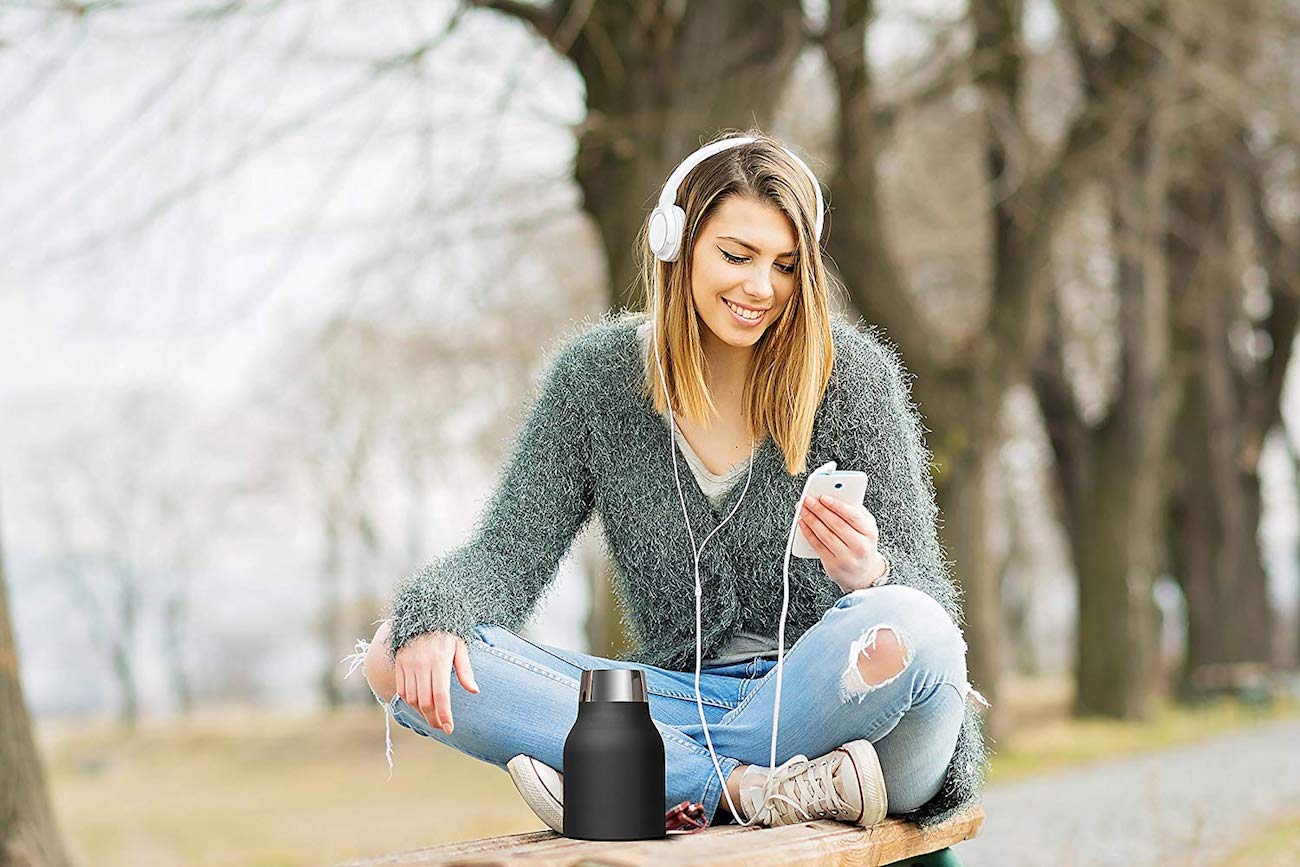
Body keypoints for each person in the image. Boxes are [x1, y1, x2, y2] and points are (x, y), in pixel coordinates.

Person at [349, 129, 989, 834]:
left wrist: (870, 575)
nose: (760, 286)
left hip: (837, 712)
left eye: (783, 264)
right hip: (677, 702)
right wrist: (438, 613)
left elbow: (932, 608)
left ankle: (628, 776)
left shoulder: (854, 378)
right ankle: (744, 788)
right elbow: (506, 556)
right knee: (392, 655)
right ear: (673, 243)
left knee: (920, 632)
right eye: (736, 255)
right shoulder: (595, 381)